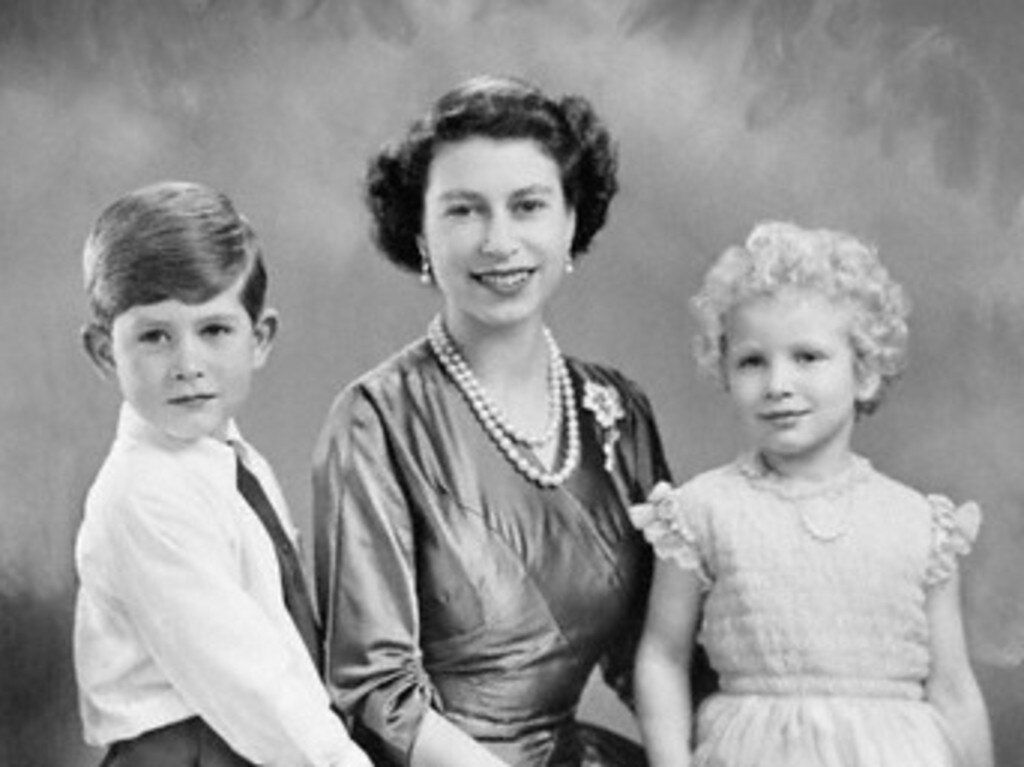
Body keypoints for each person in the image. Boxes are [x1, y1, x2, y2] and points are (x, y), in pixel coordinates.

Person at [312, 75, 714, 767]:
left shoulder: (617, 412)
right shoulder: (375, 419)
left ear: (570, 225)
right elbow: (377, 695)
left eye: (528, 206)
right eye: (464, 211)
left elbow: (655, 648)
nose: (500, 241)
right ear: (419, 234)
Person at [630, 220, 994, 767]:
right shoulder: (702, 511)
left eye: (807, 357)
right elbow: (662, 656)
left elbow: (953, 687)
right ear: (724, 371)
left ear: (865, 372)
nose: (778, 384)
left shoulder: (919, 524)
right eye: (752, 361)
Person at [74, 181, 371, 767]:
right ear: (106, 353)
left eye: (214, 331)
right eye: (154, 336)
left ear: (258, 339)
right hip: (188, 751)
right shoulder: (144, 494)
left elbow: (278, 642)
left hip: (254, 744)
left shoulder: (231, 461)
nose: (188, 366)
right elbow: (247, 682)